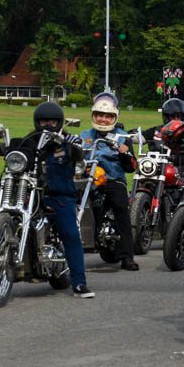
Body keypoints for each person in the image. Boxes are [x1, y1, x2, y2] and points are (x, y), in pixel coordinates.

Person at [0, 101, 94, 298]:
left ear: (59, 123)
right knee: (6, 224)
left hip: (59, 197)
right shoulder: (29, 141)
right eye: (43, 122)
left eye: (52, 122)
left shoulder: (66, 142)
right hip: (31, 197)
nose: (47, 125)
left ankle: (79, 283)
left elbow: (78, 154)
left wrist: (73, 144)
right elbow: (9, 152)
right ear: (36, 122)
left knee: (70, 234)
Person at [79, 93, 140, 270]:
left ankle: (127, 257)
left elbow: (131, 167)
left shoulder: (123, 137)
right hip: (88, 180)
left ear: (114, 117)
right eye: (100, 115)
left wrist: (125, 153)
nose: (103, 119)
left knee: (121, 207)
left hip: (113, 180)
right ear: (93, 115)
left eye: (108, 116)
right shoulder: (84, 135)